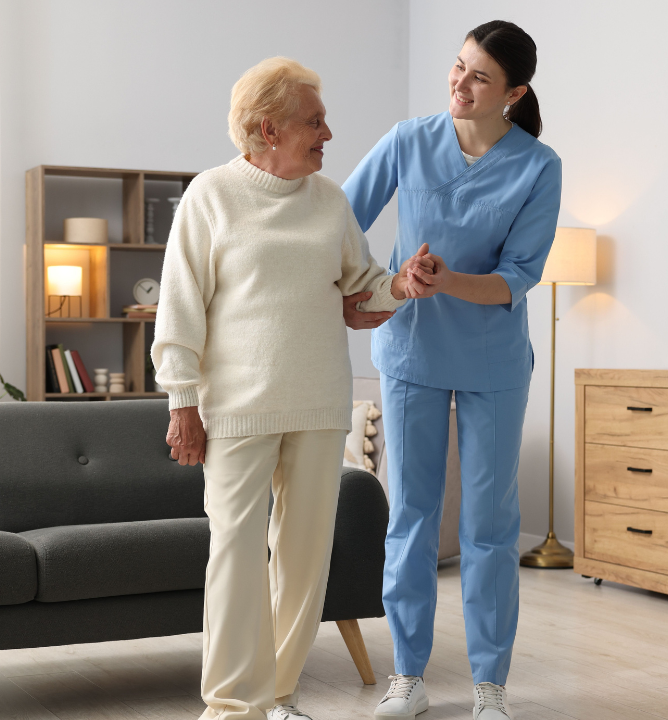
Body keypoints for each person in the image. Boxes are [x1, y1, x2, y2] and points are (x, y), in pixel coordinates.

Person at [151, 57, 432, 720]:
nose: (328, 132)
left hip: (316, 406)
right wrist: (181, 401)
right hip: (236, 410)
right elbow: (179, 307)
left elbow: (362, 288)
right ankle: (228, 708)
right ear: (264, 129)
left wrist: (406, 283)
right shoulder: (210, 197)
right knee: (235, 560)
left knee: (304, 564)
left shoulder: (329, 202)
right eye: (314, 121)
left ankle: (276, 698)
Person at [341, 20, 562, 720]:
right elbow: (341, 221)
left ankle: (489, 685)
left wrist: (446, 281)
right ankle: (407, 677)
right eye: (458, 67)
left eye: (479, 78)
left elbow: (515, 277)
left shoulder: (538, 165)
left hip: (493, 360)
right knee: (409, 516)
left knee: (490, 525)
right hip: (411, 354)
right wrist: (387, 281)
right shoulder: (409, 140)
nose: (460, 85)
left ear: (514, 93)